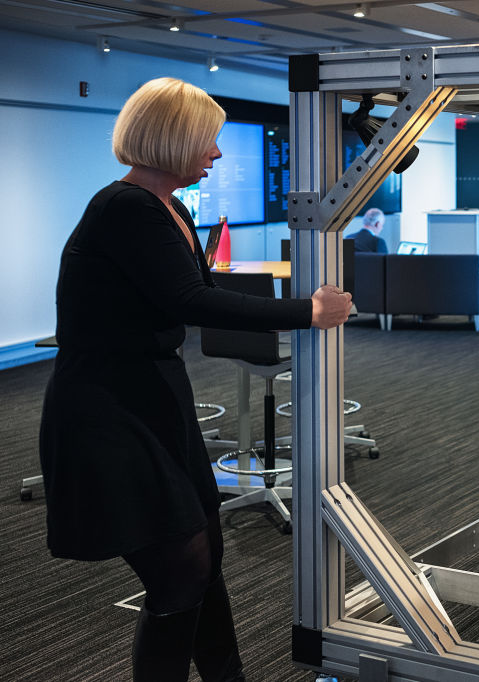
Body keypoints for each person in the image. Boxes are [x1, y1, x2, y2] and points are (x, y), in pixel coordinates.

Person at [37, 77, 352, 682]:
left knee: (203, 562)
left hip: (155, 399)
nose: (216, 154)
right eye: (208, 141)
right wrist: (308, 312)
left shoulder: (170, 206)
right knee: (179, 571)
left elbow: (200, 291)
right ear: (174, 140)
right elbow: (191, 302)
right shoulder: (124, 207)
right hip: (109, 412)